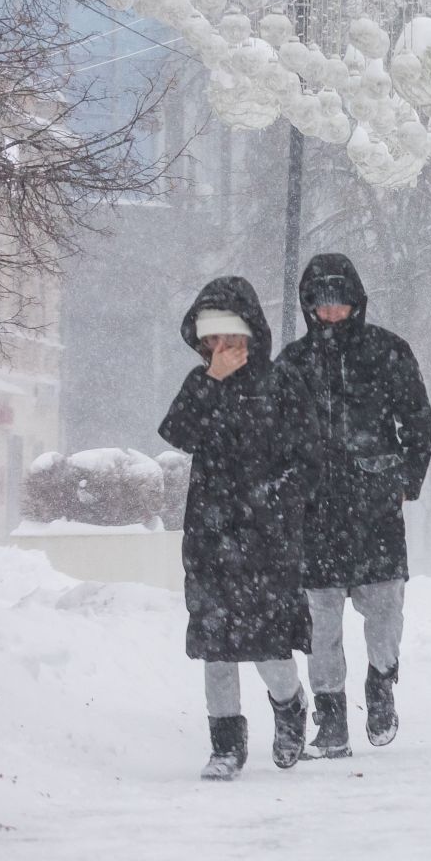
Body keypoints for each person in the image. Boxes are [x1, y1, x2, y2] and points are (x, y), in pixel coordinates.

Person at [158, 277, 321, 780]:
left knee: (268, 646)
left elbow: (309, 459)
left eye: (231, 338)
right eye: (212, 340)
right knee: (215, 647)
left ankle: (290, 704)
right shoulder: (199, 382)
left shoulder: (284, 384)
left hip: (266, 539)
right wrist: (211, 380)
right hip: (209, 534)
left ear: (251, 334)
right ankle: (226, 746)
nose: (222, 348)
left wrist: (274, 499)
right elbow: (178, 433)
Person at [277, 254, 431, 758]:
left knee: (385, 607)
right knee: (320, 621)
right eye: (321, 304)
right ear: (308, 306)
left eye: (340, 302)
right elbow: (274, 434)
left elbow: (417, 418)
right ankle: (332, 721)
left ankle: (381, 684)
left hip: (375, 508)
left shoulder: (388, 352)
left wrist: (407, 478)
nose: (331, 312)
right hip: (315, 513)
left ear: (355, 301)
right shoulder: (293, 363)